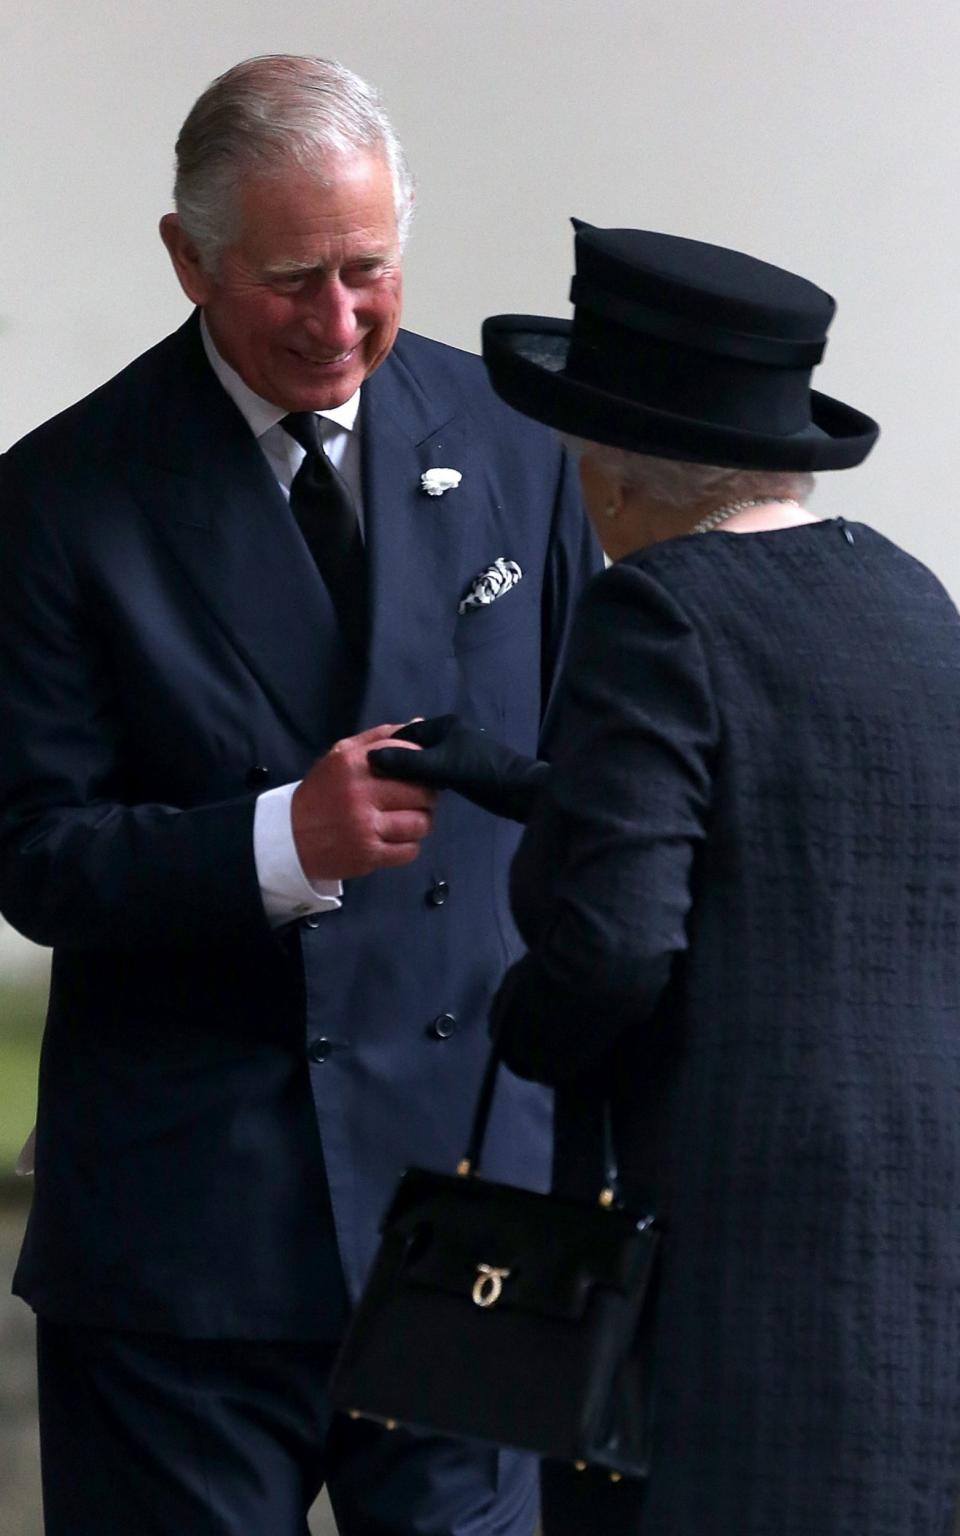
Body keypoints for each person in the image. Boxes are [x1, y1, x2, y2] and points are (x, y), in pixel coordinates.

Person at [0, 56, 597, 1536]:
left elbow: (596, 796)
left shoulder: (523, 443)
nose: (342, 322)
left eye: (370, 268)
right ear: (188, 260)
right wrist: (285, 841)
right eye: (292, 280)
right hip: (191, 1238)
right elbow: (37, 857)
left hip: (473, 1204)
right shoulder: (59, 499)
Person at [370, 224, 960, 1534]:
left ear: (615, 476)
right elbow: (785, 828)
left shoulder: (661, 609)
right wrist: (517, 779)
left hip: (725, 1279)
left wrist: (514, 1024)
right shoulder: (915, 604)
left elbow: (619, 949)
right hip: (912, 1271)